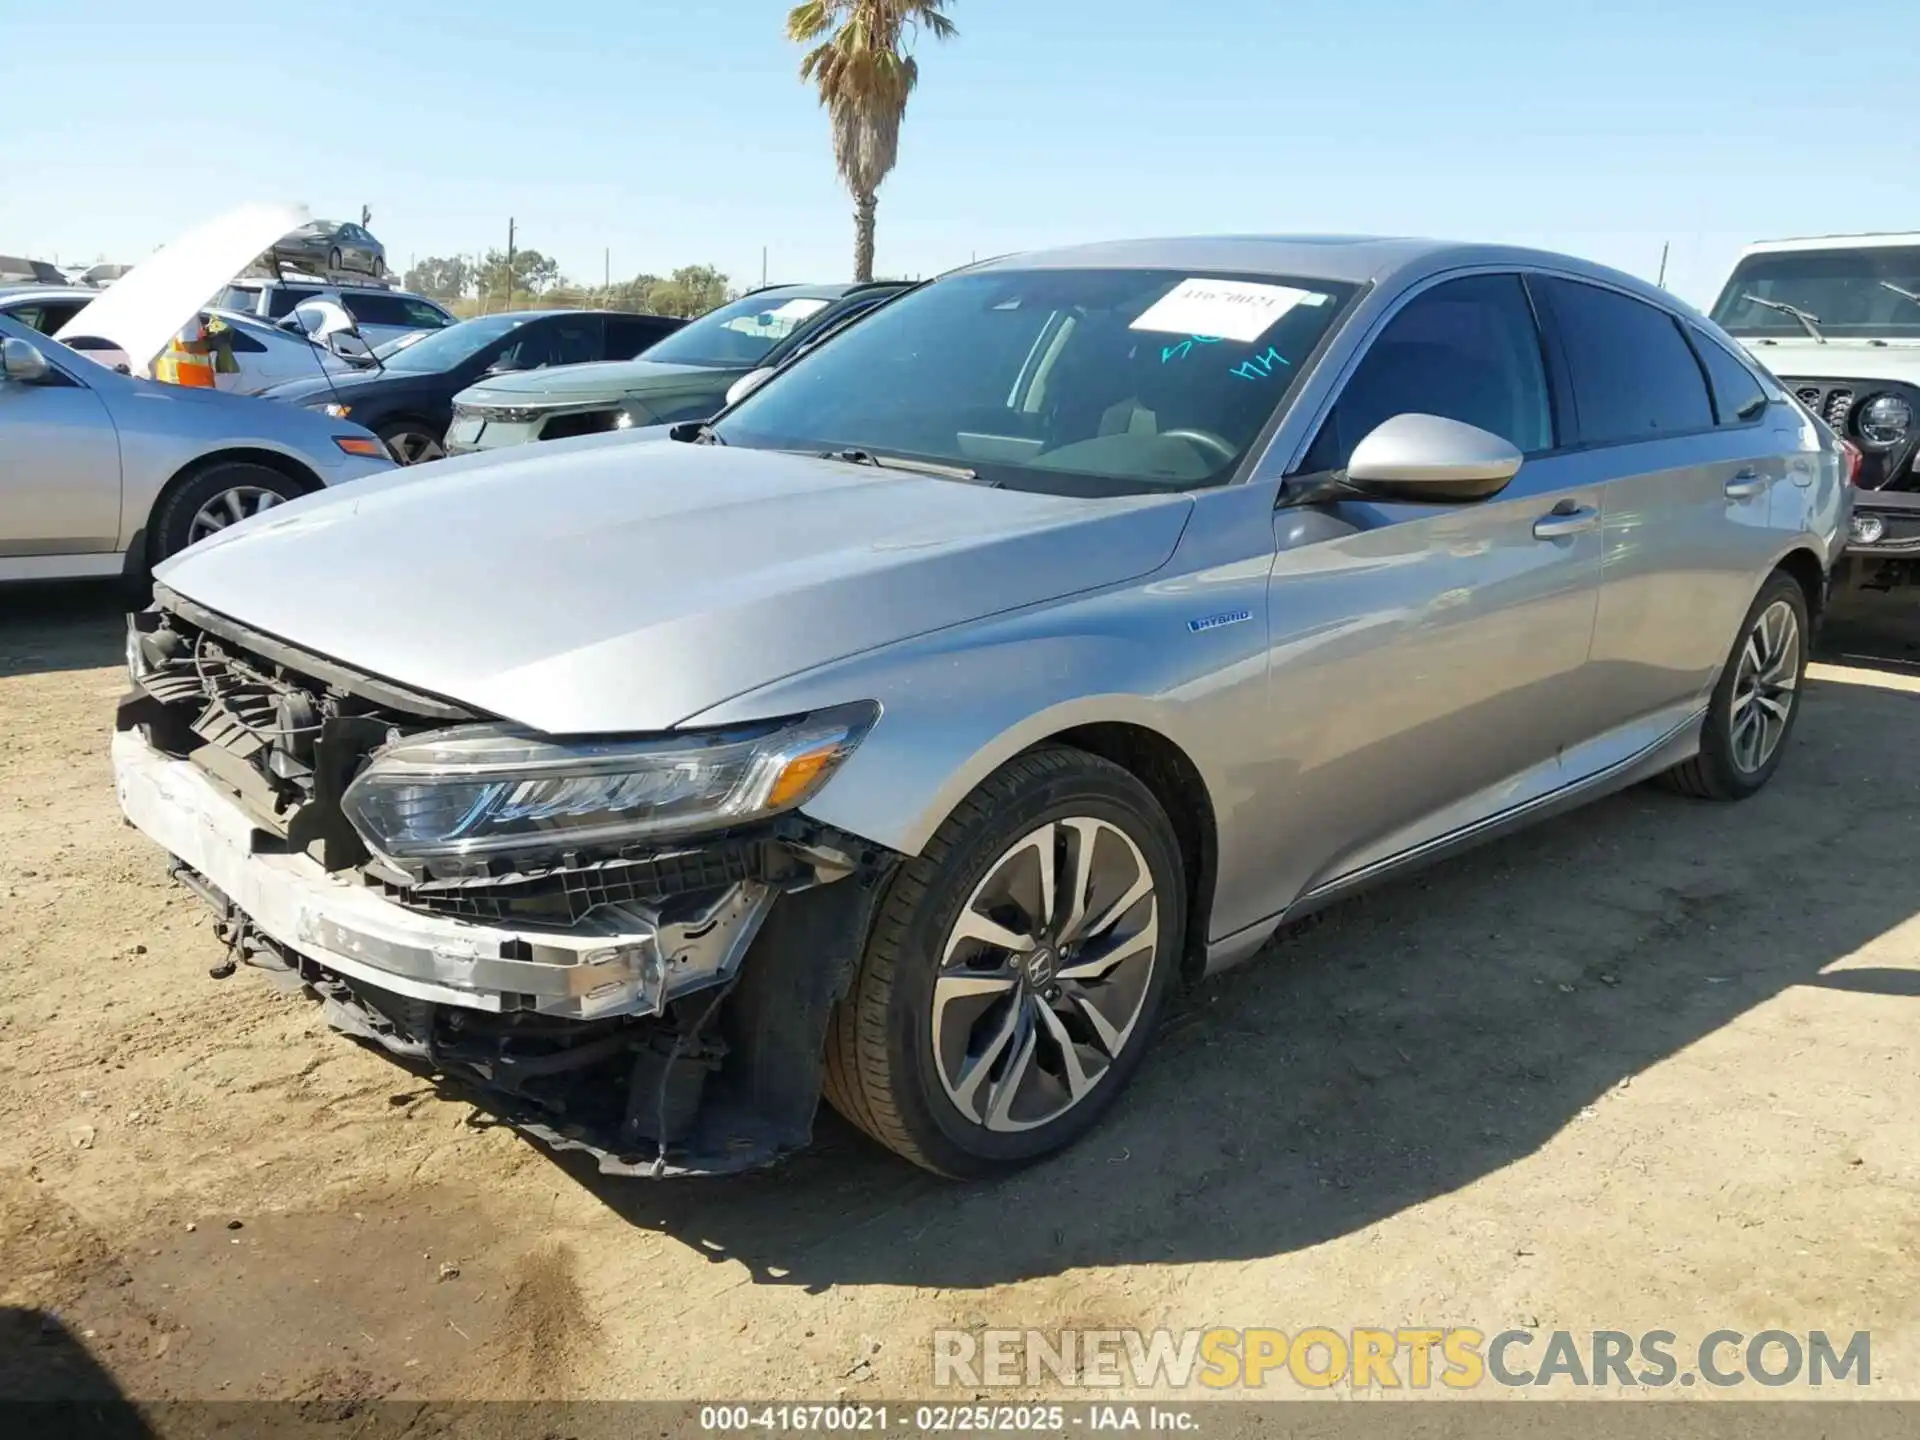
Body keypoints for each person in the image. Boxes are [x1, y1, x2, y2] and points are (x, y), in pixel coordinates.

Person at [150, 315, 239, 388]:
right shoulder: (189, 314)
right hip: (194, 385)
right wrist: (214, 342)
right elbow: (189, 346)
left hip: (173, 384)